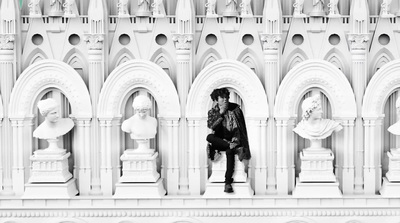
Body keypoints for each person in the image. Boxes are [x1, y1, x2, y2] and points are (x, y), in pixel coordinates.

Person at [206, 88, 250, 193]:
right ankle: (229, 145)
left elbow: (240, 129)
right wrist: (220, 114)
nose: (225, 100)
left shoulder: (235, 109)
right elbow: (212, 127)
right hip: (221, 142)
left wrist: (235, 141)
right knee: (209, 137)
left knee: (230, 151)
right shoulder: (213, 112)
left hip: (234, 140)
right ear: (216, 100)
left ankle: (228, 183)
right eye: (222, 98)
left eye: (226, 97)